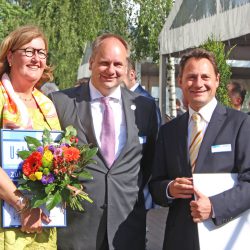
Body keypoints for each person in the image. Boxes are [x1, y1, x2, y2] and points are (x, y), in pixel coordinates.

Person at [50, 33, 158, 250]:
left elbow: (147, 165)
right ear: (91, 63)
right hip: (77, 231)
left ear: (127, 67)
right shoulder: (60, 103)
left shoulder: (145, 108)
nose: (111, 70)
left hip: (126, 231)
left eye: (118, 64)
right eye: (104, 63)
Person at [149, 48, 250, 250]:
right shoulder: (169, 131)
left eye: (205, 77)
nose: (198, 83)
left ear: (217, 80)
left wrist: (214, 206)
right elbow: (155, 185)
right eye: (191, 77)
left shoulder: (240, 124)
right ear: (180, 81)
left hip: (226, 236)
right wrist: (170, 189)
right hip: (179, 239)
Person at [0, 25, 61, 249]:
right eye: (28, 51)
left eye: (41, 53)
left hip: (42, 227)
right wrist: (24, 206)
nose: (36, 58)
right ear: (10, 56)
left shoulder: (46, 104)